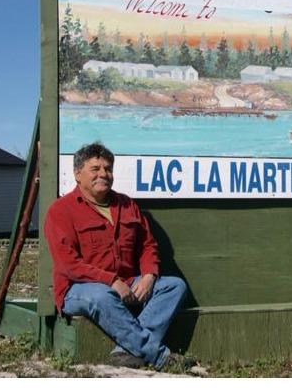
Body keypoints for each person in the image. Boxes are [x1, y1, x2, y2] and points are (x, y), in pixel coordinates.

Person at [44, 143, 193, 370]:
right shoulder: (61, 210)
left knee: (174, 286)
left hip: (126, 283)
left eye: (108, 168)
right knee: (102, 295)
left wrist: (149, 276)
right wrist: (111, 281)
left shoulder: (127, 205)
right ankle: (160, 356)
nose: (103, 174)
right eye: (95, 169)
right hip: (79, 289)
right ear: (77, 174)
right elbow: (68, 264)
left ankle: (126, 351)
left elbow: (147, 244)